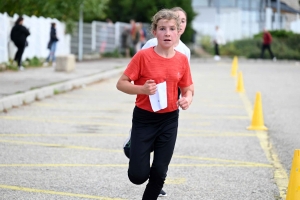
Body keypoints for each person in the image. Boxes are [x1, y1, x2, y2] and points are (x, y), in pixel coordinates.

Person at [116, 9, 194, 200]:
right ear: (154, 32)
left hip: (169, 119)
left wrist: (187, 98)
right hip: (144, 118)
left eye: (172, 29)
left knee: (159, 171)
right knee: (138, 176)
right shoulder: (143, 56)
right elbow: (121, 83)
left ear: (178, 32)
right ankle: (134, 148)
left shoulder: (182, 59)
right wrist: (142, 89)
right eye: (162, 28)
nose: (167, 33)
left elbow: (188, 87)